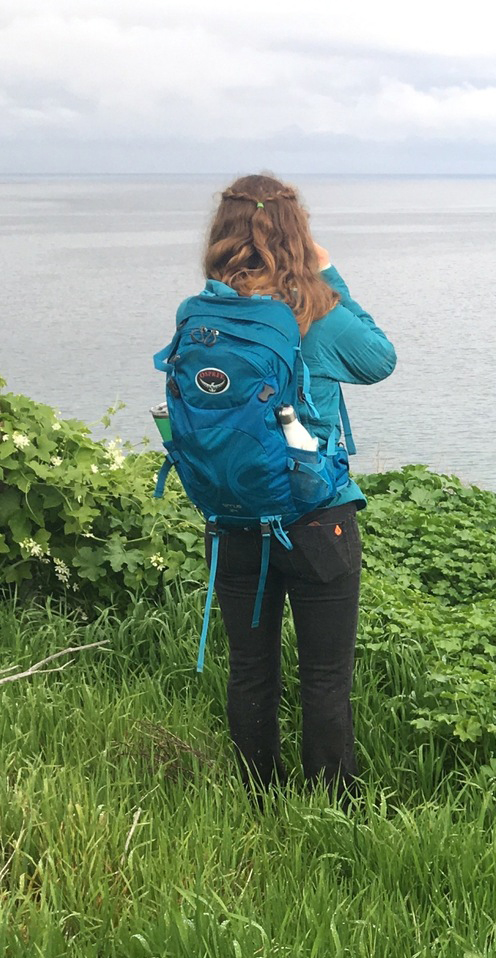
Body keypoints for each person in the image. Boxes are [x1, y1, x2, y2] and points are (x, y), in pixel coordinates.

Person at [196, 173, 396, 795]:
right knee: (326, 675)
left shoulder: (204, 314)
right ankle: (332, 805)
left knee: (250, 668)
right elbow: (380, 360)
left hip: (231, 514)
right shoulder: (315, 311)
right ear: (297, 233)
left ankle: (259, 796)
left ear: (223, 232)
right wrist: (330, 275)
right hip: (315, 517)